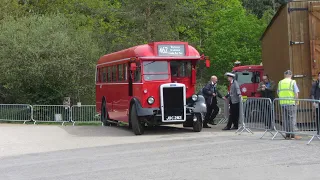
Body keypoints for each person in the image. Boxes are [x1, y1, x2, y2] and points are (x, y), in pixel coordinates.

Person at [277, 70, 301, 140]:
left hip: (283, 103)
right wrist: (296, 101)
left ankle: (287, 135)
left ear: (284, 75)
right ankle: (292, 135)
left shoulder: (280, 82)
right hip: (291, 102)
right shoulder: (292, 82)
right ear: (291, 75)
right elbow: (296, 93)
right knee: (291, 119)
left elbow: (278, 92)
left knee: (285, 119)